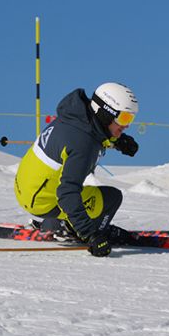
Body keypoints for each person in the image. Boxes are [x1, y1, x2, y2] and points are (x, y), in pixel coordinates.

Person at [13, 82, 140, 257]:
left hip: (27, 189)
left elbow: (94, 131)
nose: (126, 125)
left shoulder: (75, 118)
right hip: (43, 201)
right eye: (124, 118)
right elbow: (67, 193)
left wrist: (118, 141)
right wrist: (91, 235)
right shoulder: (83, 143)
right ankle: (74, 229)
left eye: (130, 119)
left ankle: (55, 223)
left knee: (68, 186)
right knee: (112, 198)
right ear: (106, 113)